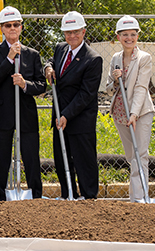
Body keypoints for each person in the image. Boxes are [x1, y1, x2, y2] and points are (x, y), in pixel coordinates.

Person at [0, 6, 46, 201]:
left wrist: (24, 84)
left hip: (26, 113)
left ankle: (35, 195)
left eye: (16, 24)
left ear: (21, 27)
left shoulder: (32, 54)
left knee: (31, 156)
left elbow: (41, 85)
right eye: (8, 25)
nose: (12, 28)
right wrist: (9, 58)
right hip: (3, 112)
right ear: (2, 28)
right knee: (1, 157)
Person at [44, 11, 102, 200]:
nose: (72, 36)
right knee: (62, 159)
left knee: (84, 160)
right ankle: (68, 194)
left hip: (80, 118)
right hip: (59, 115)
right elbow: (51, 61)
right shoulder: (61, 48)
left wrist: (66, 115)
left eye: (76, 31)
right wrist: (48, 67)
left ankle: (88, 196)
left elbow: (86, 94)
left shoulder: (93, 59)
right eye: (68, 32)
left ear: (83, 31)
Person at [105, 15, 155, 203]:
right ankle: (136, 196)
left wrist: (134, 114)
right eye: (125, 34)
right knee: (130, 156)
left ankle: (139, 198)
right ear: (118, 37)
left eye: (133, 34)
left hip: (140, 113)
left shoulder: (144, 58)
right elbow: (109, 88)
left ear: (137, 36)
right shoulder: (116, 58)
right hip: (120, 112)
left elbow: (141, 87)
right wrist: (115, 80)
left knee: (140, 155)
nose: (129, 38)